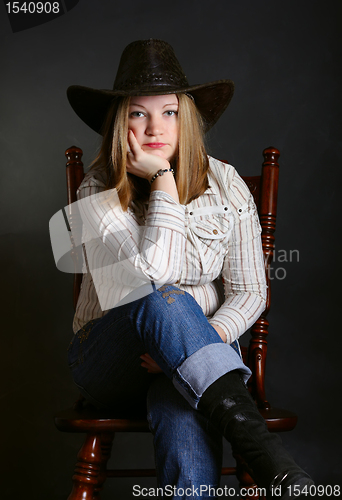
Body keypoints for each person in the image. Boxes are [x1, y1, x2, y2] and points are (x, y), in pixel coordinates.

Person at [65, 39, 314, 499]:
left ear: (188, 118)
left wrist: (204, 339)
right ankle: (267, 456)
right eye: (138, 113)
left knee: (181, 397)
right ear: (122, 122)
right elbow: (148, 284)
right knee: (163, 299)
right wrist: (162, 181)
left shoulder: (225, 182)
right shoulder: (95, 190)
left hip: (194, 359)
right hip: (110, 358)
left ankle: (263, 463)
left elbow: (251, 291)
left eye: (169, 112)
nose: (155, 127)